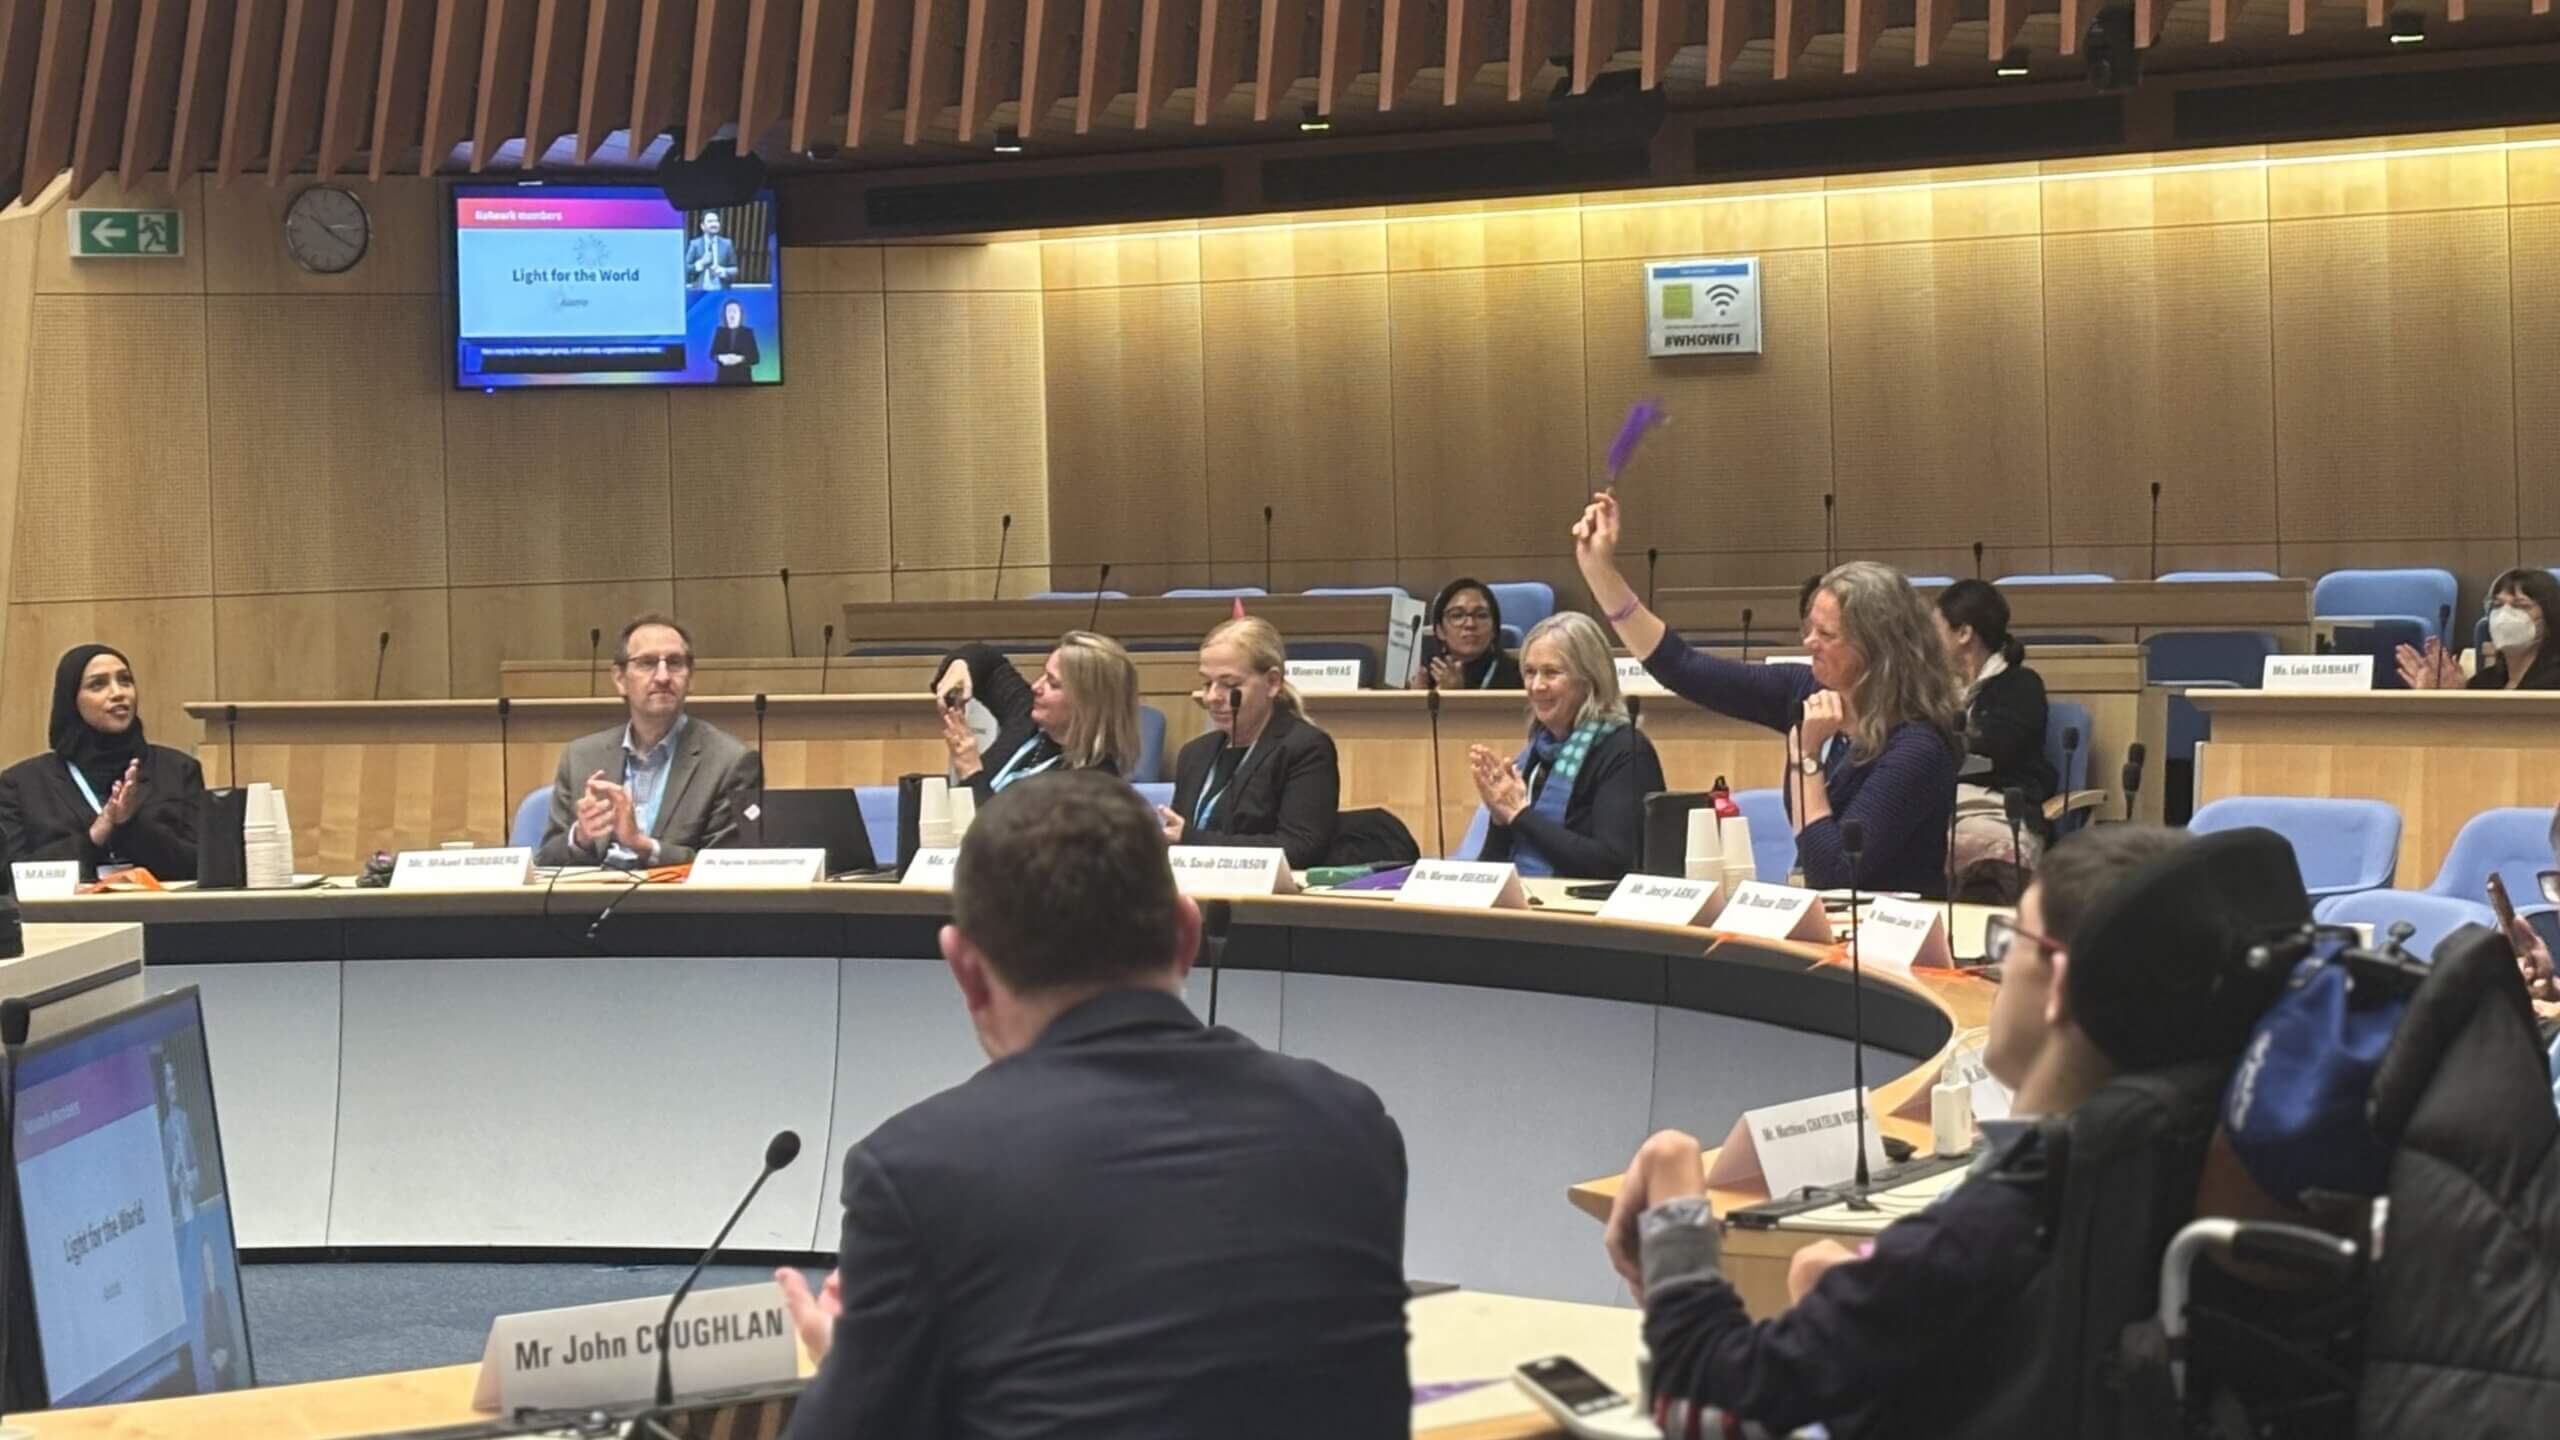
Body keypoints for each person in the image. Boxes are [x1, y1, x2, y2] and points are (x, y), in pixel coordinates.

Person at [1603, 824, 2309, 1438]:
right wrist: (1864, 1297)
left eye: (2012, 940)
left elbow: (1705, 1401)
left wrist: (1674, 1195)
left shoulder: (2008, 1210)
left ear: (2059, 981)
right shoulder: (2198, 1153)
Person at [773, 771, 1410, 1439]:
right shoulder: (1350, 1125)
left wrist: (853, 1367)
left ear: (966, 971)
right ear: (1186, 935)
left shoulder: (917, 1171)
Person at [1573, 491, 1964, 894]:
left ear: (1879, 648)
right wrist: (1599, 571)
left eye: (1827, 634)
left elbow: (1833, 872)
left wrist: (1806, 758)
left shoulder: (1918, 747)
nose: (1810, 642)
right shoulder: (1806, 690)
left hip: (1893, 937)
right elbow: (1682, 667)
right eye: (1808, 627)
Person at [534, 615, 762, 867]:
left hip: (673, 904)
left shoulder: (730, 762)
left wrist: (641, 844)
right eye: (647, 663)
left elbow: (729, 867)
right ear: (620, 679)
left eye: (674, 663)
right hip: (591, 902)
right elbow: (546, 860)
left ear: (691, 678)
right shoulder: (581, 757)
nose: (663, 676)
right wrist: (581, 837)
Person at [1467, 612, 1664, 880]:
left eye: (1552, 672)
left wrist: (1520, 815)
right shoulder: (1533, 756)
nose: (1537, 686)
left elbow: (1614, 864)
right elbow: (1491, 871)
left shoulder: (1626, 751)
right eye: (1530, 672)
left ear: (1590, 679)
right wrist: (1500, 819)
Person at [0, 644, 207, 880]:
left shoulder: (178, 770)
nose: (118, 693)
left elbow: (201, 864)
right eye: (98, 684)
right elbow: (11, 878)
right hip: (68, 916)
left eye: (125, 681)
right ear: (71, 699)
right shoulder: (22, 784)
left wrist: (130, 825)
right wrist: (95, 836)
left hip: (159, 914)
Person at [1161, 617, 1341, 868]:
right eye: (1206, 683)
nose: (1212, 697)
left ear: (1272, 683)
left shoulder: (1304, 747)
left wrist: (1194, 840)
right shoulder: (1195, 753)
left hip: (1267, 902)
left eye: (1230, 684)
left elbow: (1301, 847)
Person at [1937, 580, 2057, 897]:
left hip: (1998, 805)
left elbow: (1996, 750)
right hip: (1940, 802)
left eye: (1935, 630)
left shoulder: (2021, 685)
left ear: (1964, 634)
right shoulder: (1937, 691)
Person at [938, 630, 1142, 802]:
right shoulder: (1027, 716)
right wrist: (960, 667)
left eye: (1053, 684)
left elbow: (1008, 843)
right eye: (1043, 675)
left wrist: (971, 772)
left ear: (1087, 703)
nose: (1036, 687)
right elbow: (986, 661)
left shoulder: (1095, 787)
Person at [2397, 568, 2560, 691]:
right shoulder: (2484, 682)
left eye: (2520, 606)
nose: (2504, 615)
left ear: (2549, 616)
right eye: (2497, 605)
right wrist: (2448, 699)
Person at [1413, 577, 1522, 690]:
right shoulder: (1424, 674)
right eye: (1457, 615)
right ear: (1440, 630)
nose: (1470, 624)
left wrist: (1455, 698)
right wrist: (1416, 701)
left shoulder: (1519, 677)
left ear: (1494, 629)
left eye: (1481, 615)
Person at [709, 299, 759, 383]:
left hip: (744, 381)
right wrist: (720, 358)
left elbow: (756, 358)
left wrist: (740, 359)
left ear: (740, 314)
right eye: (729, 311)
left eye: (735, 311)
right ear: (724, 314)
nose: (731, 315)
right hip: (722, 381)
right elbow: (712, 355)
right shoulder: (720, 332)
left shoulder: (748, 333)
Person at [684, 211, 737, 290]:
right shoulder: (695, 244)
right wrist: (700, 263)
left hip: (721, 291)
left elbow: (734, 269)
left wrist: (723, 271)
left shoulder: (727, 244)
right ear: (702, 226)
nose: (714, 224)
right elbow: (685, 269)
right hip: (699, 293)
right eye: (710, 221)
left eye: (716, 221)